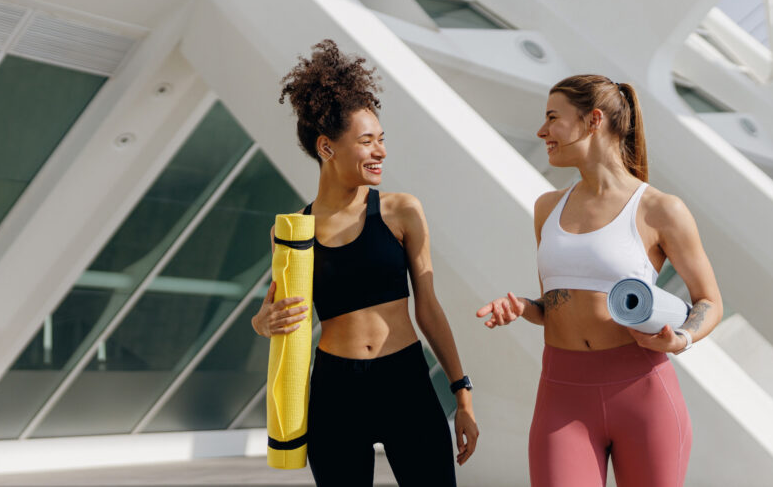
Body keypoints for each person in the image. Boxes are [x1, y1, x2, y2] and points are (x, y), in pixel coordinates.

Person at [477, 74, 722, 487]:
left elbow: (708, 300)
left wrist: (680, 338)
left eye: (553, 117)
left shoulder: (660, 209)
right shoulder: (547, 208)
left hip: (644, 395)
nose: (542, 131)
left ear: (592, 120)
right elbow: (555, 305)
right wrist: (522, 307)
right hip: (562, 395)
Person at [252, 40, 477, 486]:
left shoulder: (401, 210)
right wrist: (263, 321)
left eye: (381, 140)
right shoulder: (292, 232)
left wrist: (462, 394)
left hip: (405, 381)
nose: (380, 152)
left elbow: (428, 307)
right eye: (367, 141)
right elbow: (271, 314)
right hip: (336, 392)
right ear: (327, 147)